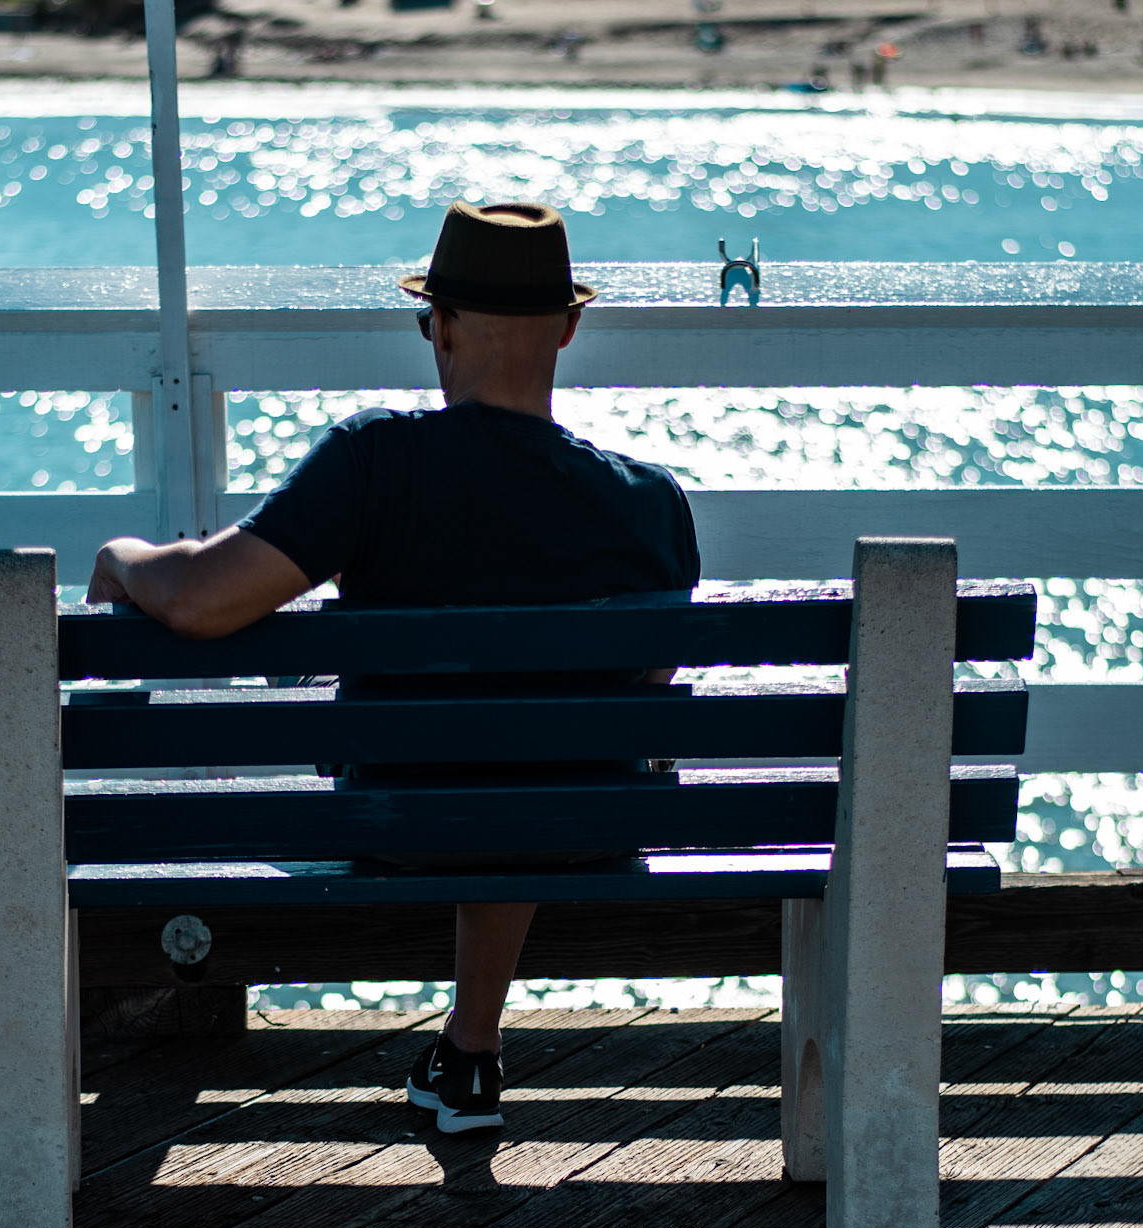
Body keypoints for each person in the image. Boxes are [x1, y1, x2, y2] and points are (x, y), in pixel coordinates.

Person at [87, 200, 699, 1134]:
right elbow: (640, 699)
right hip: (582, 825)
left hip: (397, 815)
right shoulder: (652, 502)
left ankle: (471, 1048)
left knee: (479, 760)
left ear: (440, 327)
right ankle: (471, 1049)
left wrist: (124, 559)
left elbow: (206, 599)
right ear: (568, 329)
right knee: (532, 759)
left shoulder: (379, 461)